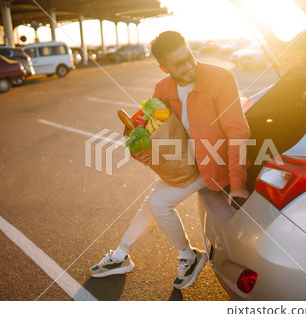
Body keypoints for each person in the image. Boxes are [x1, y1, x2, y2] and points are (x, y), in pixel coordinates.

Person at [90, 31, 251, 290]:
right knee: (151, 201)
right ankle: (121, 255)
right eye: (179, 64)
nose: (189, 66)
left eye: (190, 57)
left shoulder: (221, 78)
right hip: (184, 162)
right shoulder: (162, 89)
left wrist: (238, 183)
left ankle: (189, 256)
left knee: (160, 202)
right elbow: (143, 129)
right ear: (164, 67)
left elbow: (237, 133)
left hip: (212, 164)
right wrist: (140, 152)